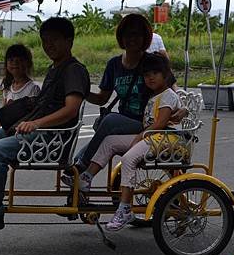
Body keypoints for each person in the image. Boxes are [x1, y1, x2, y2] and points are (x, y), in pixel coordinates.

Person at [0, 17, 90, 233]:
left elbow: (71, 109)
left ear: (69, 40)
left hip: (50, 140)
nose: (49, 46)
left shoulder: (73, 70)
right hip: (35, 134)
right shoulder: (55, 68)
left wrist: (36, 123)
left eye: (54, 40)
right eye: (45, 41)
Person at [70, 54, 183, 231]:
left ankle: (125, 209)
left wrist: (140, 136)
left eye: (155, 73)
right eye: (146, 75)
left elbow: (160, 123)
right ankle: (86, 177)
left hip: (162, 138)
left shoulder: (167, 95)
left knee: (129, 158)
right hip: (152, 137)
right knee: (109, 142)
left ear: (166, 75)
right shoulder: (155, 94)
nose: (150, 78)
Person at [65, 14, 153, 182]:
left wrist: (180, 108)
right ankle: (79, 174)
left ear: (145, 38)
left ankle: (81, 164)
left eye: (136, 34)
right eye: (127, 34)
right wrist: (81, 92)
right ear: (121, 37)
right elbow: (102, 98)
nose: (131, 39)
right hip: (123, 122)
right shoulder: (114, 64)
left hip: (145, 122)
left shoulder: (152, 62)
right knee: (108, 127)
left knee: (111, 121)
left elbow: (170, 88)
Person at [0, 44, 40, 129]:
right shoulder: (7, 87)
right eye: (11, 60)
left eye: (20, 60)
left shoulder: (33, 89)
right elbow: (3, 115)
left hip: (20, 131)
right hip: (6, 129)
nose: (15, 63)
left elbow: (33, 116)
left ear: (27, 63)